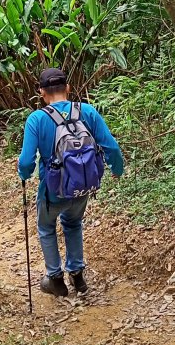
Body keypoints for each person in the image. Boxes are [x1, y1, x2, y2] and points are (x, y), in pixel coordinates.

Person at [18, 67, 124, 298]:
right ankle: (77, 276)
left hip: (53, 190)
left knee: (46, 228)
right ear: (68, 88)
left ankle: (55, 280)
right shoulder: (87, 111)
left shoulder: (36, 119)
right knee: (73, 225)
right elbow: (112, 147)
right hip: (81, 186)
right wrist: (118, 169)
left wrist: (24, 175)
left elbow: (26, 160)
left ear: (41, 92)